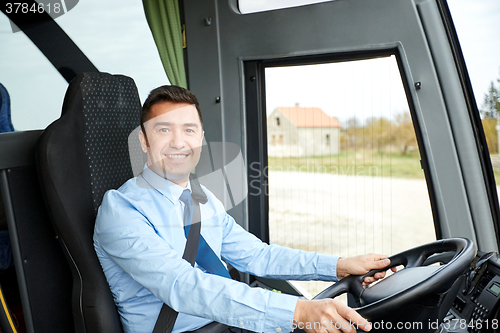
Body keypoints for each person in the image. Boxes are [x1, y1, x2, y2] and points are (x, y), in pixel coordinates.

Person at [93, 85, 395, 333]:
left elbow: (257, 255)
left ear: (200, 139)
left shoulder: (201, 197)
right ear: (144, 141)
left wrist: (339, 266)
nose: (178, 142)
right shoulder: (121, 210)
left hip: (232, 324)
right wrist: (299, 311)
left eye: (188, 130)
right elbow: (182, 286)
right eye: (163, 130)